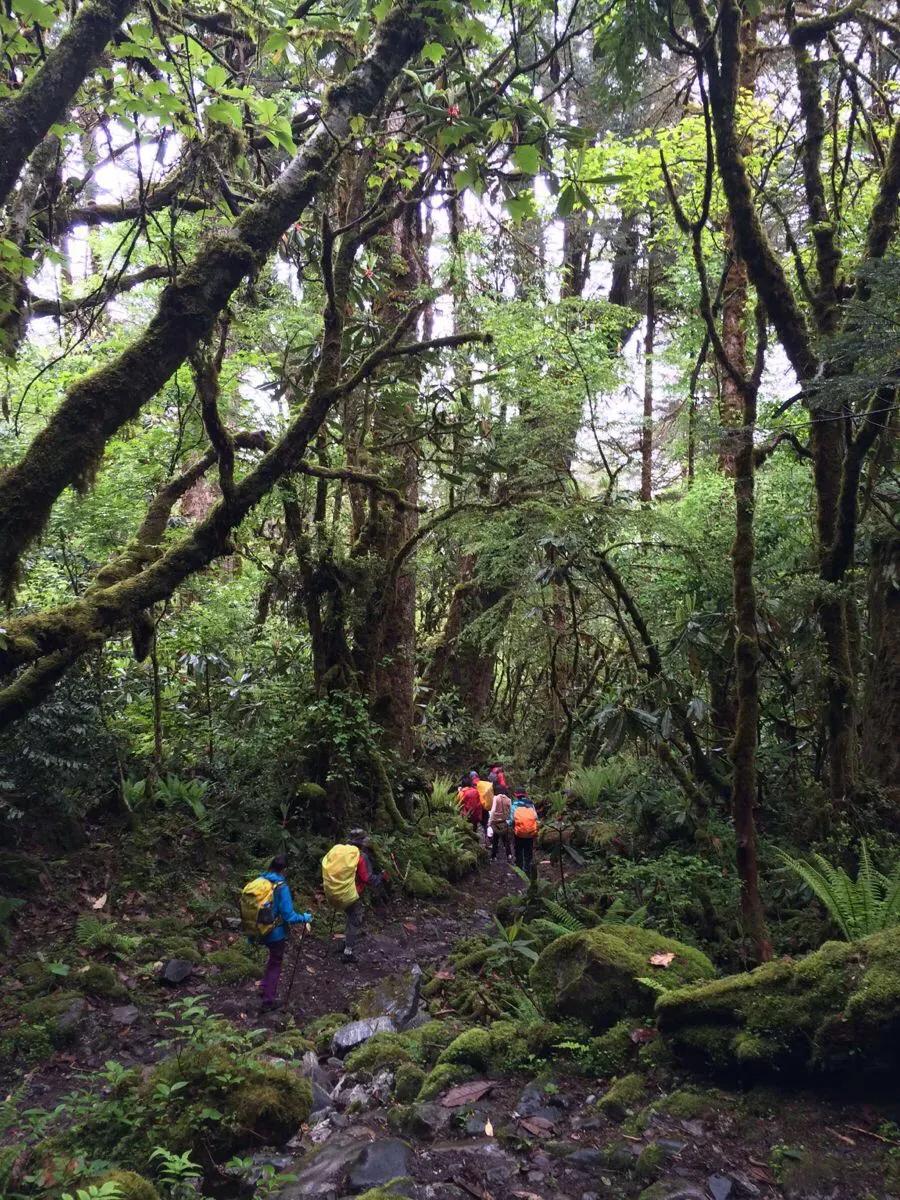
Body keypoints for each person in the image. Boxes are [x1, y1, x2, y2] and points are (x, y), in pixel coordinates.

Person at [253, 854, 312, 1012]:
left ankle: (264, 987)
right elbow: (289, 916)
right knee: (275, 963)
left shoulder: (260, 882)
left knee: (271, 960)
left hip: (258, 929)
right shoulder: (281, 887)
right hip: (275, 933)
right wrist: (304, 917)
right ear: (284, 870)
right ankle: (268, 1000)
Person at [342, 829, 389, 963]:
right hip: (353, 892)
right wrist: (381, 876)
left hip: (338, 890)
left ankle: (345, 942)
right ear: (361, 843)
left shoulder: (342, 853)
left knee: (349, 916)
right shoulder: (361, 857)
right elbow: (367, 878)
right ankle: (348, 952)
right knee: (355, 918)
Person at [509, 789, 539, 874]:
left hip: (518, 833)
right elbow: (535, 817)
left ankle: (519, 869)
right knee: (528, 851)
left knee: (518, 850)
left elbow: (511, 820)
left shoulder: (514, 805)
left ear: (516, 795)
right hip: (530, 833)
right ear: (525, 795)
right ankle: (528, 869)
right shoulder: (530, 804)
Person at [487, 789, 512, 862]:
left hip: (496, 822)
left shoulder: (496, 798)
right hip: (504, 822)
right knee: (506, 840)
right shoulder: (509, 800)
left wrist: (490, 821)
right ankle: (509, 855)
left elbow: (493, 810)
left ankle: (494, 856)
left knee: (495, 840)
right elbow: (510, 811)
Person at [470, 771, 494, 844]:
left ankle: (476, 842)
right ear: (478, 776)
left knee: (475, 825)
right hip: (485, 808)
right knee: (486, 824)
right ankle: (489, 841)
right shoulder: (484, 784)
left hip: (477, 809)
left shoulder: (472, 785)